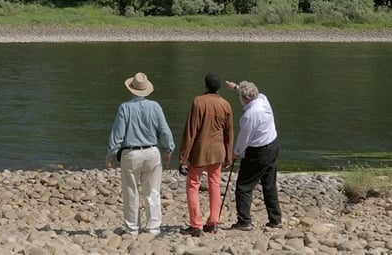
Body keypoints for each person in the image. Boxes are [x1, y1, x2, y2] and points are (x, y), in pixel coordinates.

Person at [107, 72, 175, 236]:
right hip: (152, 151)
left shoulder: (125, 107)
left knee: (131, 191)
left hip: (131, 153)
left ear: (131, 89)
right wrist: (169, 148)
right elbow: (164, 131)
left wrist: (111, 153)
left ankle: (132, 229)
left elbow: (118, 134)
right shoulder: (156, 106)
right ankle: (153, 228)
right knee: (152, 191)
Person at [178, 72, 234, 237]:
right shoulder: (226, 105)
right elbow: (229, 133)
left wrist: (183, 157)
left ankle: (196, 225)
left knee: (193, 185)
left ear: (206, 85)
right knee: (215, 184)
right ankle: (213, 222)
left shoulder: (199, 102)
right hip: (218, 151)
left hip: (200, 151)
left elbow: (191, 131)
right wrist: (229, 155)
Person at [225, 79, 282, 231]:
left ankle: (244, 221)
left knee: (244, 186)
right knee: (269, 184)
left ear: (244, 99)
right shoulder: (263, 99)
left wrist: (236, 153)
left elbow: (244, 139)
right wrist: (236, 87)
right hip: (273, 145)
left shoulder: (249, 115)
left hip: (258, 152)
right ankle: (275, 219)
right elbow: (248, 93)